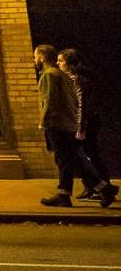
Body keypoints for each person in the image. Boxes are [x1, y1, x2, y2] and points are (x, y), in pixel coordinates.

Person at [36, 43, 115, 207]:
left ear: (42, 58)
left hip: (57, 124)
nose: (34, 60)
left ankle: (102, 187)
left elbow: (50, 100)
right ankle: (63, 194)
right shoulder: (62, 75)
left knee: (70, 160)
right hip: (67, 123)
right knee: (64, 160)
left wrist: (44, 121)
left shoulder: (50, 75)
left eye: (35, 56)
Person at [59, 49, 115, 202]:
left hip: (86, 123)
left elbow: (83, 105)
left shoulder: (76, 80)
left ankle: (100, 186)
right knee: (88, 154)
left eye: (61, 61)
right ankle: (100, 185)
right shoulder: (71, 79)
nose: (58, 64)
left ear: (71, 64)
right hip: (86, 122)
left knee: (70, 156)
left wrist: (80, 128)